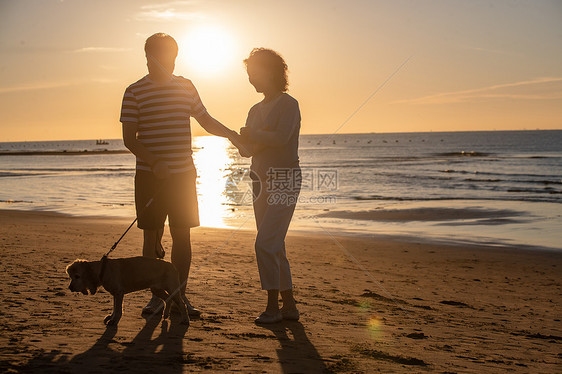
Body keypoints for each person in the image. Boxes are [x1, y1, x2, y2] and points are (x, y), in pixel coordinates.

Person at [119, 33, 239, 317]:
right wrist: (155, 161)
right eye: (159, 58)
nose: (166, 64)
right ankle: (156, 299)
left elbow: (206, 120)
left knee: (182, 237)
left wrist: (232, 135)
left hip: (184, 176)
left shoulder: (185, 86)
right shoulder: (134, 91)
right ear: (148, 58)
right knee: (151, 238)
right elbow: (129, 139)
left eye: (171, 58)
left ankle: (179, 297)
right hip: (150, 177)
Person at [236, 48, 302, 324]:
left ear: (271, 72)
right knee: (275, 244)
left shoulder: (289, 104)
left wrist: (254, 136)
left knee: (265, 243)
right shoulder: (254, 110)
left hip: (285, 178)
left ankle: (272, 306)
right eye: (249, 75)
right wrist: (240, 139)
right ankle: (289, 306)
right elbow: (248, 151)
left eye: (254, 74)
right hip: (258, 180)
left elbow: (281, 138)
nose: (251, 80)